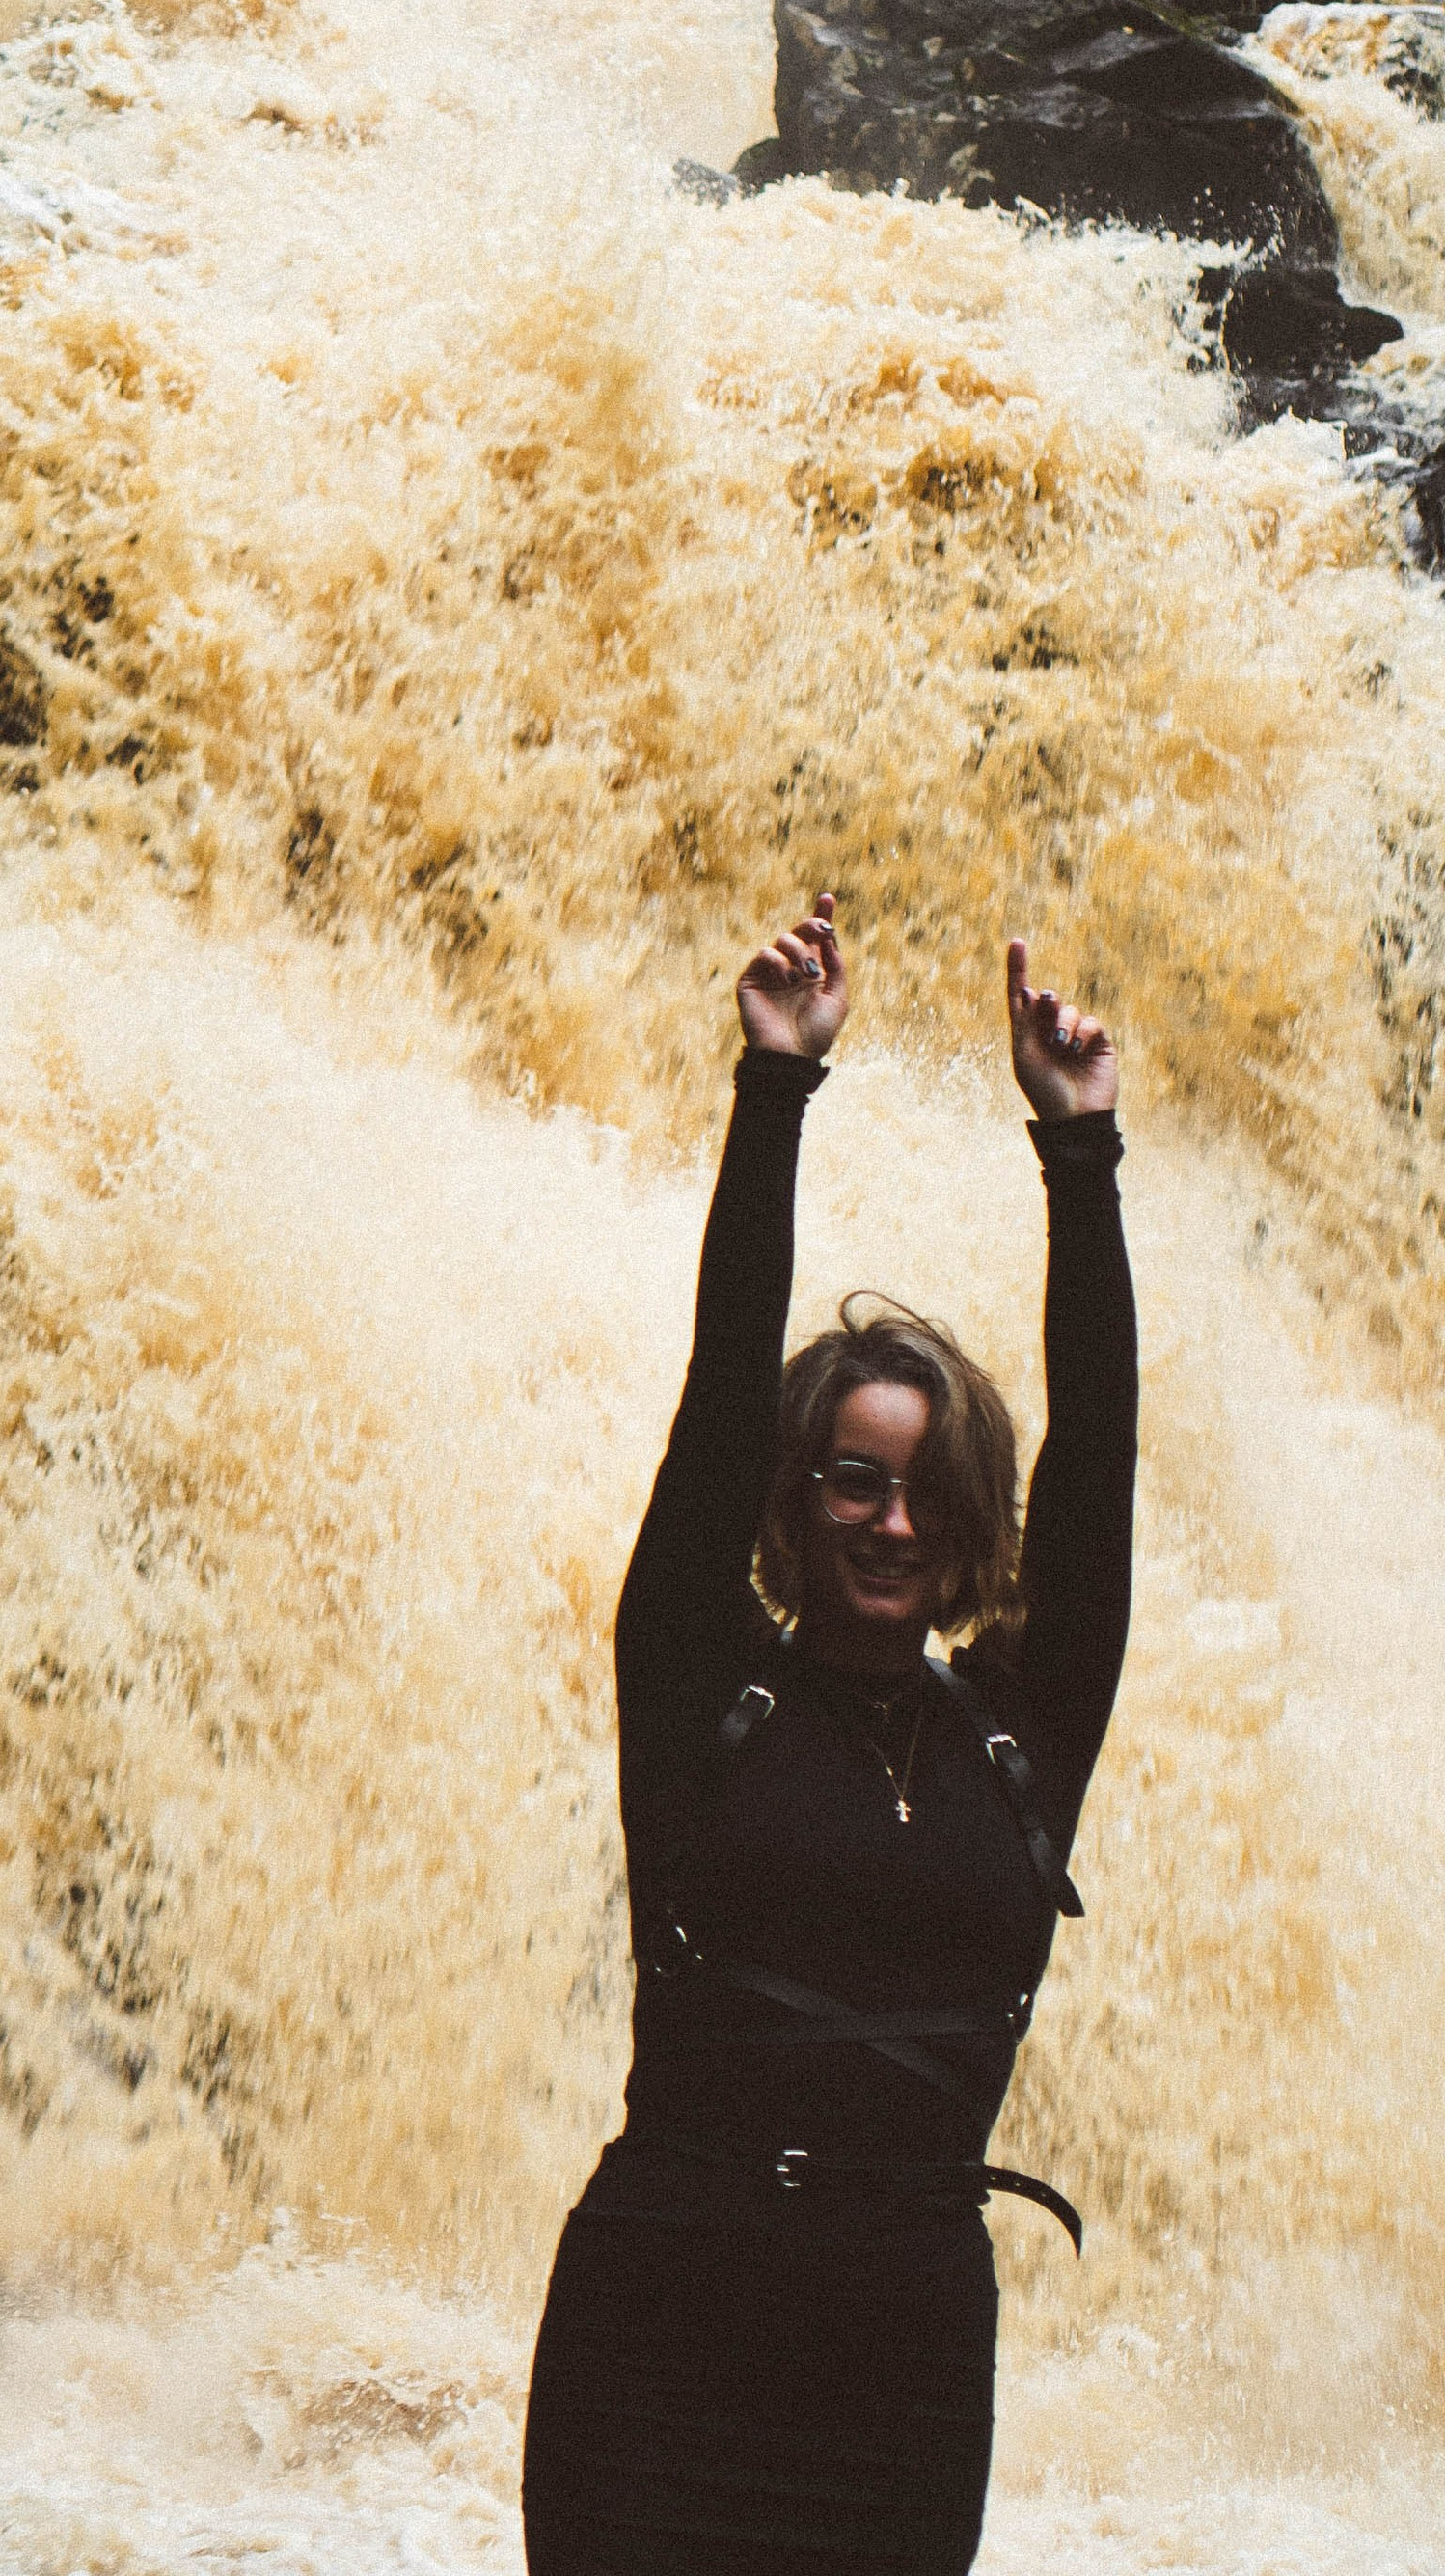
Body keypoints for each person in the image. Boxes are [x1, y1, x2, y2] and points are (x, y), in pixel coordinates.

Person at [521, 891, 1136, 2576]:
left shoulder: (1019, 1736)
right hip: (661, 2329)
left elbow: (1095, 1493)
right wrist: (774, 1088)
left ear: (967, 1521)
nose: (887, 1521)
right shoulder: (700, 1684)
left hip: (904, 2358)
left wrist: (1080, 1158)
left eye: (925, 1489)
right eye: (851, 1479)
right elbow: (722, 1397)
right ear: (798, 1502)